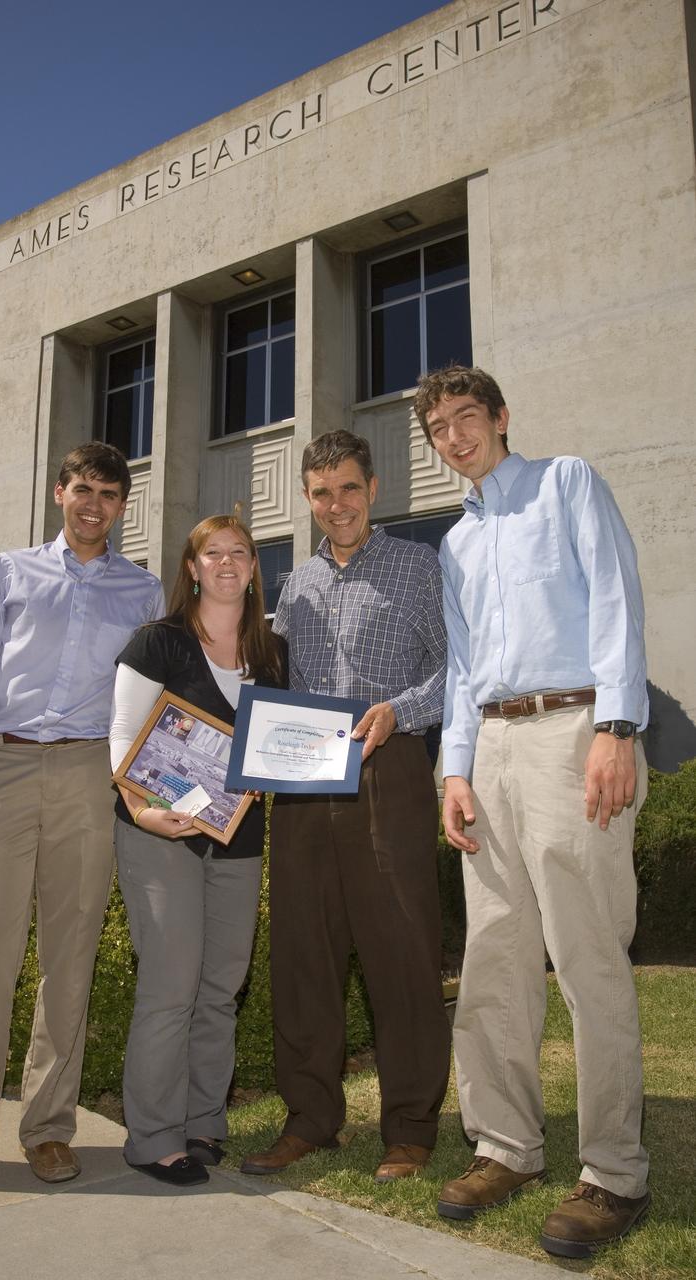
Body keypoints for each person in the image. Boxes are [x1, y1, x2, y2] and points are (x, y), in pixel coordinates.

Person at [412, 366, 650, 1259]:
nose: (455, 437)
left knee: (588, 956)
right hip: (494, 750)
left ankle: (614, 1171)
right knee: (494, 956)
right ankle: (506, 1145)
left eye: (466, 418)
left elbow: (619, 602)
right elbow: (467, 668)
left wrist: (617, 728)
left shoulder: (568, 483)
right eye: (439, 429)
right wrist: (456, 773)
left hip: (573, 730)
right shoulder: (456, 546)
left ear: (501, 418)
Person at [0, 442, 164, 1199]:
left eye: (110, 495)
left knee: (70, 959)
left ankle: (51, 1129)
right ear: (60, 493)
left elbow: (155, 700)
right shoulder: (8, 572)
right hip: (5, 768)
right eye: (83, 489)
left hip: (91, 778)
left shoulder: (143, 591)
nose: (95, 505)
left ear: (124, 506)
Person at [240, 431, 450, 1183]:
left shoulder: (419, 567)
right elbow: (272, 686)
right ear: (307, 498)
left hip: (387, 769)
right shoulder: (293, 586)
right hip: (303, 782)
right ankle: (310, 1121)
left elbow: (454, 671)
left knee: (401, 951)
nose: (338, 506)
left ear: (374, 488)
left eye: (350, 489)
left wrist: (400, 709)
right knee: (304, 955)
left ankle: (411, 1128)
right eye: (323, 493)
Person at [110, 515, 286, 1188]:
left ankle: (203, 1121)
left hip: (238, 837)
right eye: (213, 552)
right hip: (160, 834)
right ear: (192, 566)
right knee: (171, 984)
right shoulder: (158, 643)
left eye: (240, 552)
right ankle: (153, 1136)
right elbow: (123, 736)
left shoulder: (271, 652)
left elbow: (279, 745)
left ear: (252, 566)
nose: (228, 562)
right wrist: (141, 812)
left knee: (220, 986)